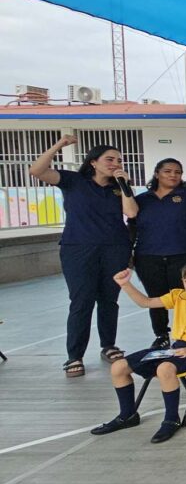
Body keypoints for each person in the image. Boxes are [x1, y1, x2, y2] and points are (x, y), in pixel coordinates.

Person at [30, 135, 136, 377]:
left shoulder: (118, 189)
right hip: (78, 248)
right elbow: (37, 170)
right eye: (109, 159)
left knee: (109, 300)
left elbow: (131, 213)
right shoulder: (74, 181)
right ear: (93, 162)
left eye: (119, 160)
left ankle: (108, 345)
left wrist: (124, 186)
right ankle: (74, 356)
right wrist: (58, 145)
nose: (115, 163)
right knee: (82, 301)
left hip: (114, 248)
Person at [93, 261, 186, 443]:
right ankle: (128, 415)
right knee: (118, 367)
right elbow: (145, 302)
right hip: (176, 347)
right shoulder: (180, 296)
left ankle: (172, 419)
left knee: (165, 369)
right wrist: (125, 284)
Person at [131, 158, 186, 349]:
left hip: (182, 254)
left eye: (177, 172)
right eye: (168, 171)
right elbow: (132, 226)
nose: (173, 175)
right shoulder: (142, 199)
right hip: (148, 256)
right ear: (156, 174)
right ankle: (161, 334)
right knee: (156, 297)